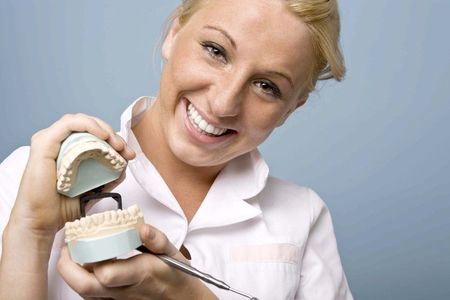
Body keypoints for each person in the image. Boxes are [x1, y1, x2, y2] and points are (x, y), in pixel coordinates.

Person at [0, 0, 353, 299]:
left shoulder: (302, 216)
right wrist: (30, 233)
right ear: (174, 33)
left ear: (292, 107)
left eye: (266, 86)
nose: (222, 103)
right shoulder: (26, 178)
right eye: (216, 51)